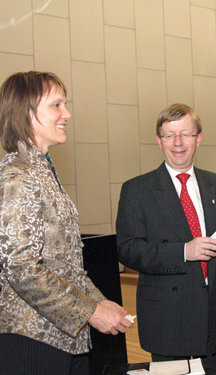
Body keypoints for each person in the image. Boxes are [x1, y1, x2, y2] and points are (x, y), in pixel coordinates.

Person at [0, 71, 133, 375]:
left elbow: (65, 265)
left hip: (65, 338)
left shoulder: (41, 171)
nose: (67, 114)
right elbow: (21, 268)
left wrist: (100, 302)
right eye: (56, 105)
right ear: (26, 113)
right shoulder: (17, 177)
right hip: (32, 342)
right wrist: (89, 311)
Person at [116, 103, 216, 374]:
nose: (177, 143)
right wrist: (183, 252)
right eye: (169, 135)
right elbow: (128, 249)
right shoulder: (136, 190)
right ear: (158, 140)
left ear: (198, 138)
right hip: (169, 320)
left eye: (185, 134)